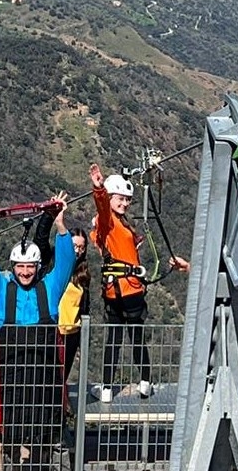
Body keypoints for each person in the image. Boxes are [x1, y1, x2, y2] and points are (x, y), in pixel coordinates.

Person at [0, 200, 76, 469]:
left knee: (44, 432)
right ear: (13, 266)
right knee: (11, 429)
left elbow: (66, 263)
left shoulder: (49, 289)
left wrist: (60, 225)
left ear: (37, 267)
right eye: (20, 266)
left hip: (44, 377)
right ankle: (10, 462)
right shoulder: (2, 290)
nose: (25, 272)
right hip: (12, 378)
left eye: (30, 266)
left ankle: (41, 463)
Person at [88, 163, 152, 403]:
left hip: (116, 289)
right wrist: (98, 190)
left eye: (127, 200)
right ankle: (144, 381)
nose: (124, 204)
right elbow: (103, 210)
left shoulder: (119, 225)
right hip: (129, 289)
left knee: (115, 337)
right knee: (135, 335)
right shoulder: (110, 222)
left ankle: (107, 388)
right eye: (120, 199)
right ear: (111, 197)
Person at [33, 200, 91, 381]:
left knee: (61, 377)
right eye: (74, 245)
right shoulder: (51, 262)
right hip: (50, 331)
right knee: (44, 375)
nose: (78, 251)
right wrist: (49, 215)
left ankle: (58, 407)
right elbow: (39, 239)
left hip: (71, 334)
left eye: (81, 247)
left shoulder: (82, 274)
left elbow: (84, 307)